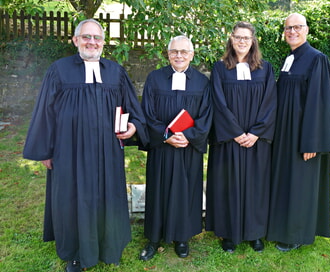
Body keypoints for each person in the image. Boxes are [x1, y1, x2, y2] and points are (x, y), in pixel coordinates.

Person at [23, 19, 148, 271]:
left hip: (107, 150)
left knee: (107, 196)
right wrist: (46, 150)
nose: (92, 42)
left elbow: (134, 110)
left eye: (97, 38)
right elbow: (45, 112)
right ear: (76, 40)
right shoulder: (59, 70)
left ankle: (109, 246)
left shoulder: (116, 72)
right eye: (86, 37)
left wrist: (134, 127)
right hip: (69, 150)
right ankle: (77, 252)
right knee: (74, 197)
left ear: (103, 42)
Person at [266, 13, 330, 252]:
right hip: (284, 133)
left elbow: (320, 103)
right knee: (286, 180)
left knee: (300, 184)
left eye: (297, 27)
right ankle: (281, 226)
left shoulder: (317, 59)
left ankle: (296, 233)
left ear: (306, 30)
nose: (292, 31)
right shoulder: (290, 58)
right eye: (288, 28)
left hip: (303, 135)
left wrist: (312, 142)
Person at [205, 21, 277, 253]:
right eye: (238, 37)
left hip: (256, 140)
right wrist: (236, 132)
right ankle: (229, 233)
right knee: (228, 185)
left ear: (253, 40)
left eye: (246, 38)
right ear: (231, 39)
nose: (242, 41)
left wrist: (256, 132)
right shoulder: (219, 68)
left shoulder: (265, 69)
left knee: (256, 185)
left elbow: (270, 103)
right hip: (229, 139)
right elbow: (218, 102)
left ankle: (255, 233)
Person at [139, 35, 212, 260]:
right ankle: (154, 238)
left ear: (191, 55)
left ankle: (182, 237)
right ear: (168, 54)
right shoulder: (155, 78)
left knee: (185, 191)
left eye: (183, 52)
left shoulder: (202, 82)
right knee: (158, 190)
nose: (179, 56)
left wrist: (189, 136)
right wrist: (165, 135)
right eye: (174, 51)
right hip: (162, 147)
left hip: (188, 149)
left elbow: (207, 114)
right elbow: (147, 113)